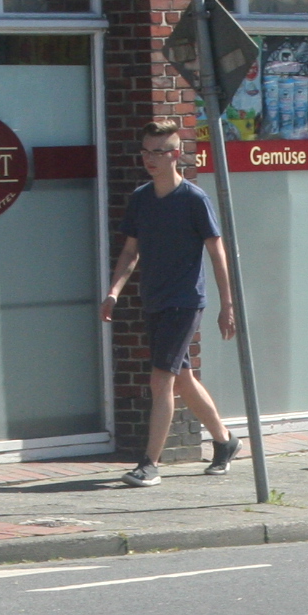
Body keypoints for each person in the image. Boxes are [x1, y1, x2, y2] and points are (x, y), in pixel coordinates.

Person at [102, 120, 239, 487]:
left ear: (176, 154)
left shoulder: (194, 199)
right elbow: (130, 251)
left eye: (159, 152)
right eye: (146, 151)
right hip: (154, 299)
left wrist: (227, 306)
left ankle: (149, 464)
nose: (150, 159)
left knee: (160, 380)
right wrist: (114, 290)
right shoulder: (141, 198)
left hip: (184, 300)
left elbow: (217, 252)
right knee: (182, 377)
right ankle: (225, 441)